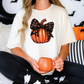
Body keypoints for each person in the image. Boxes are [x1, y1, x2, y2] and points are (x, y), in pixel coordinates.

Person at [0, 0, 81, 84]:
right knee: (1, 57)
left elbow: (65, 45)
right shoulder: (22, 13)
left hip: (54, 68)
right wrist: (30, 61)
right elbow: (14, 47)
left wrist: (60, 60)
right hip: (29, 67)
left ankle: (34, 80)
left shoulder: (61, 12)